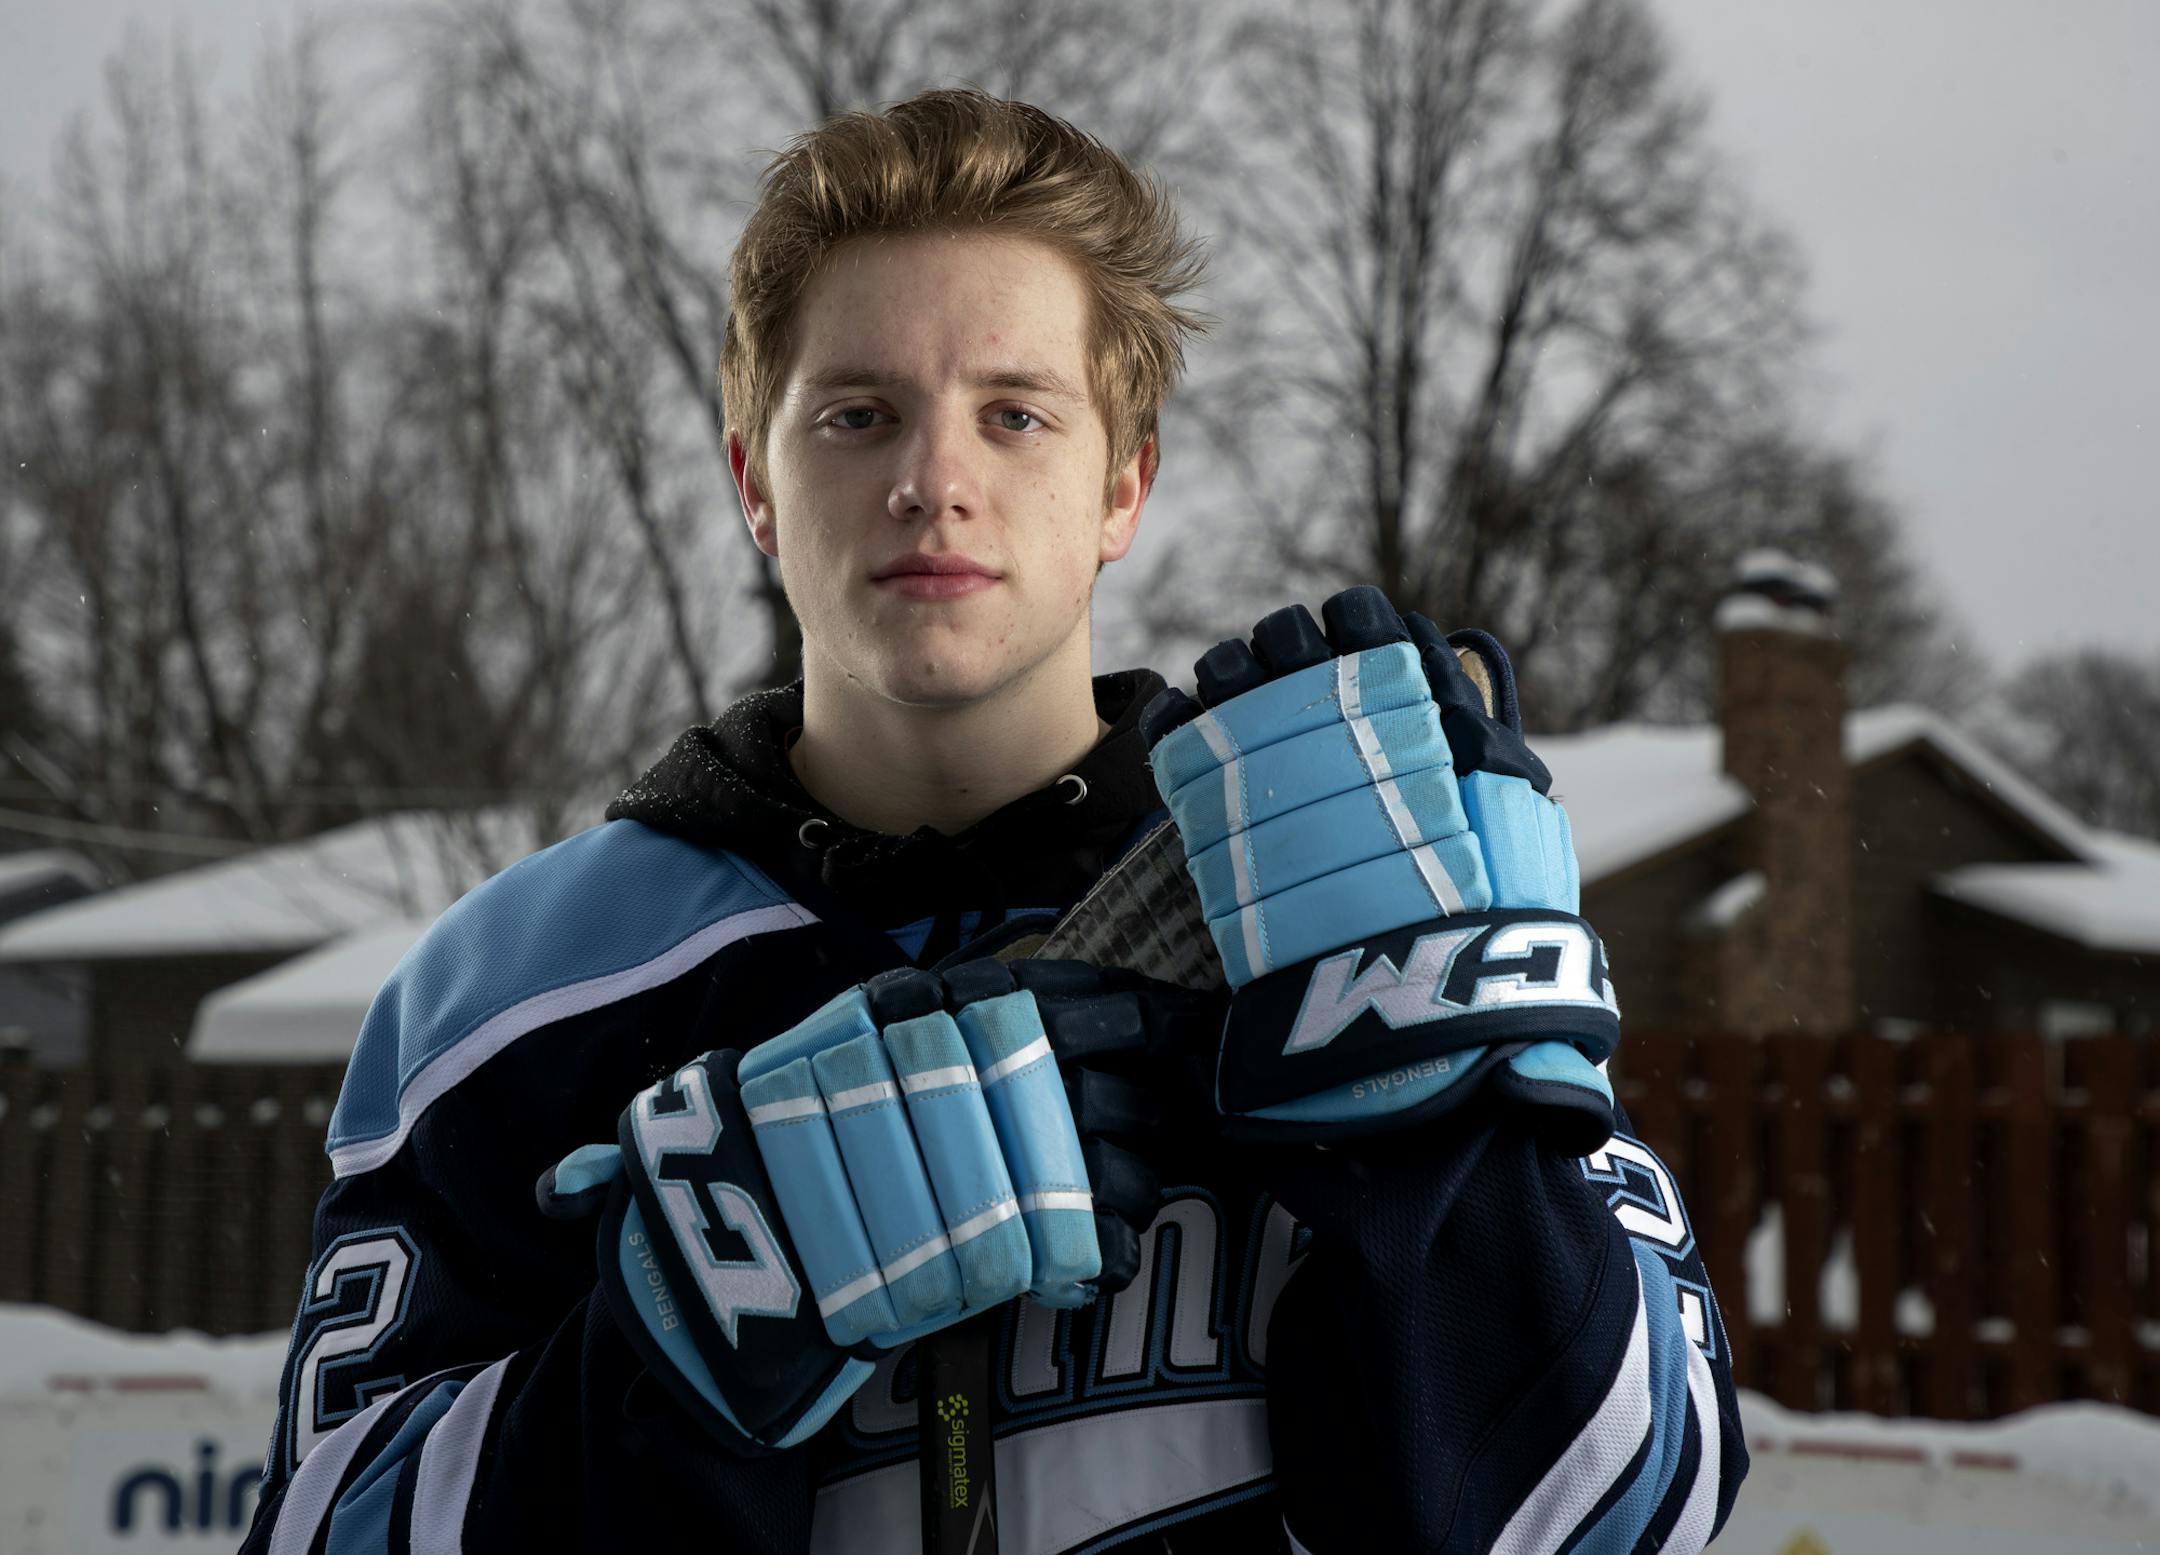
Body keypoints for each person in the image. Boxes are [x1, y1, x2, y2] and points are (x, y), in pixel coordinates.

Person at [240, 88, 1746, 1554]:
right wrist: (694, 1330)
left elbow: (1614, 1511)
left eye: (1016, 415)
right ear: (754, 483)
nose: (933, 481)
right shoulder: (510, 996)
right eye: (856, 414)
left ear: (1123, 486)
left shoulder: (1344, 885)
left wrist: (1439, 1112)